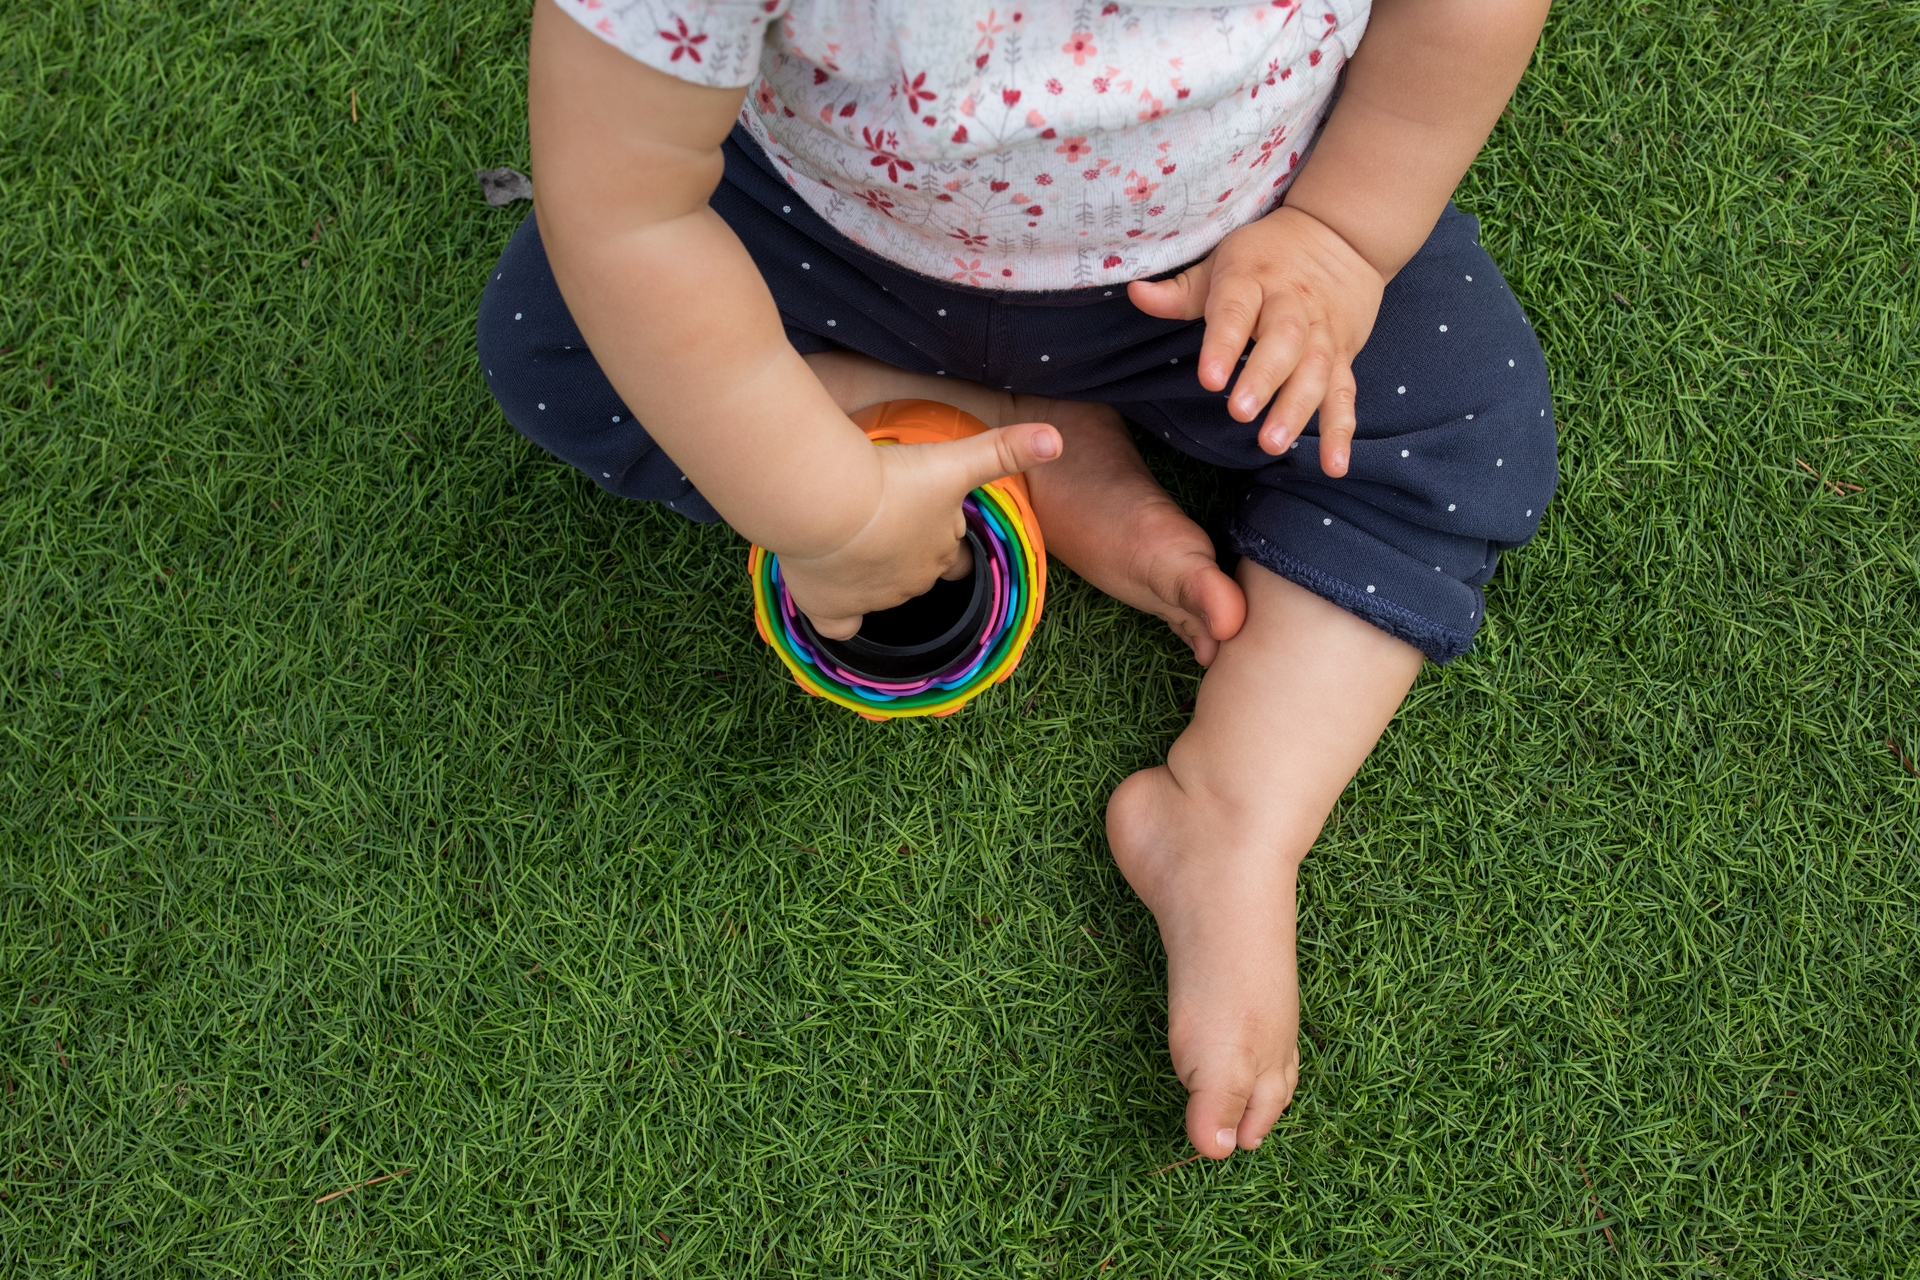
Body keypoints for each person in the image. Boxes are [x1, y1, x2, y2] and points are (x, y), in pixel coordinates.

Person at [480, 0, 1557, 1159]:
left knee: (1460, 424)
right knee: (561, 340)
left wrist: (1344, 236)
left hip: (1232, 253)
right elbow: (624, 210)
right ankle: (1016, 428)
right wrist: (822, 507)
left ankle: (1234, 815)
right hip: (819, 232)